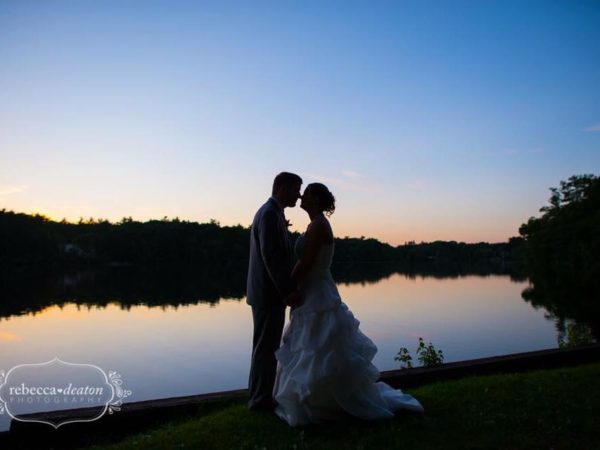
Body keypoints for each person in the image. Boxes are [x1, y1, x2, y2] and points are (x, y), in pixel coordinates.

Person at [273, 183, 424, 425]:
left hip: (317, 292)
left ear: (316, 200)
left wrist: (286, 289)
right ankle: (316, 399)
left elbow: (307, 263)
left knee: (319, 346)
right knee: (311, 346)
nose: (302, 195)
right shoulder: (315, 224)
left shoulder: (320, 225)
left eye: (308, 192)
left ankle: (326, 402)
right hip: (314, 289)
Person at [247, 172, 303, 411]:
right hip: (267, 294)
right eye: (295, 189)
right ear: (281, 188)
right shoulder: (269, 214)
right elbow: (271, 258)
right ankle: (259, 400)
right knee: (265, 349)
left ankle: (260, 396)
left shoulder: (273, 213)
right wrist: (287, 292)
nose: (299, 195)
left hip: (266, 294)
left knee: (266, 347)